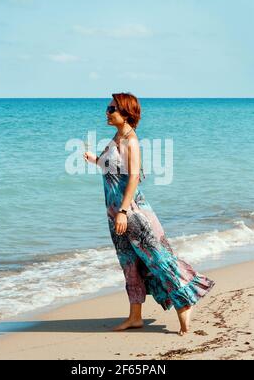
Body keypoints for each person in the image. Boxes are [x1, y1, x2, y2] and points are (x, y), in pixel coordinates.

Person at [83, 92, 215, 334]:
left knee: (159, 260)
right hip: (115, 213)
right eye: (108, 107)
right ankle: (135, 317)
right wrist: (94, 159)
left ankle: (184, 304)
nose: (107, 112)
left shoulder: (130, 140)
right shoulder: (117, 136)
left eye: (112, 108)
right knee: (129, 264)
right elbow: (113, 167)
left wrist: (123, 211)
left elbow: (134, 177)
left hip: (131, 212)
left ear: (125, 113)